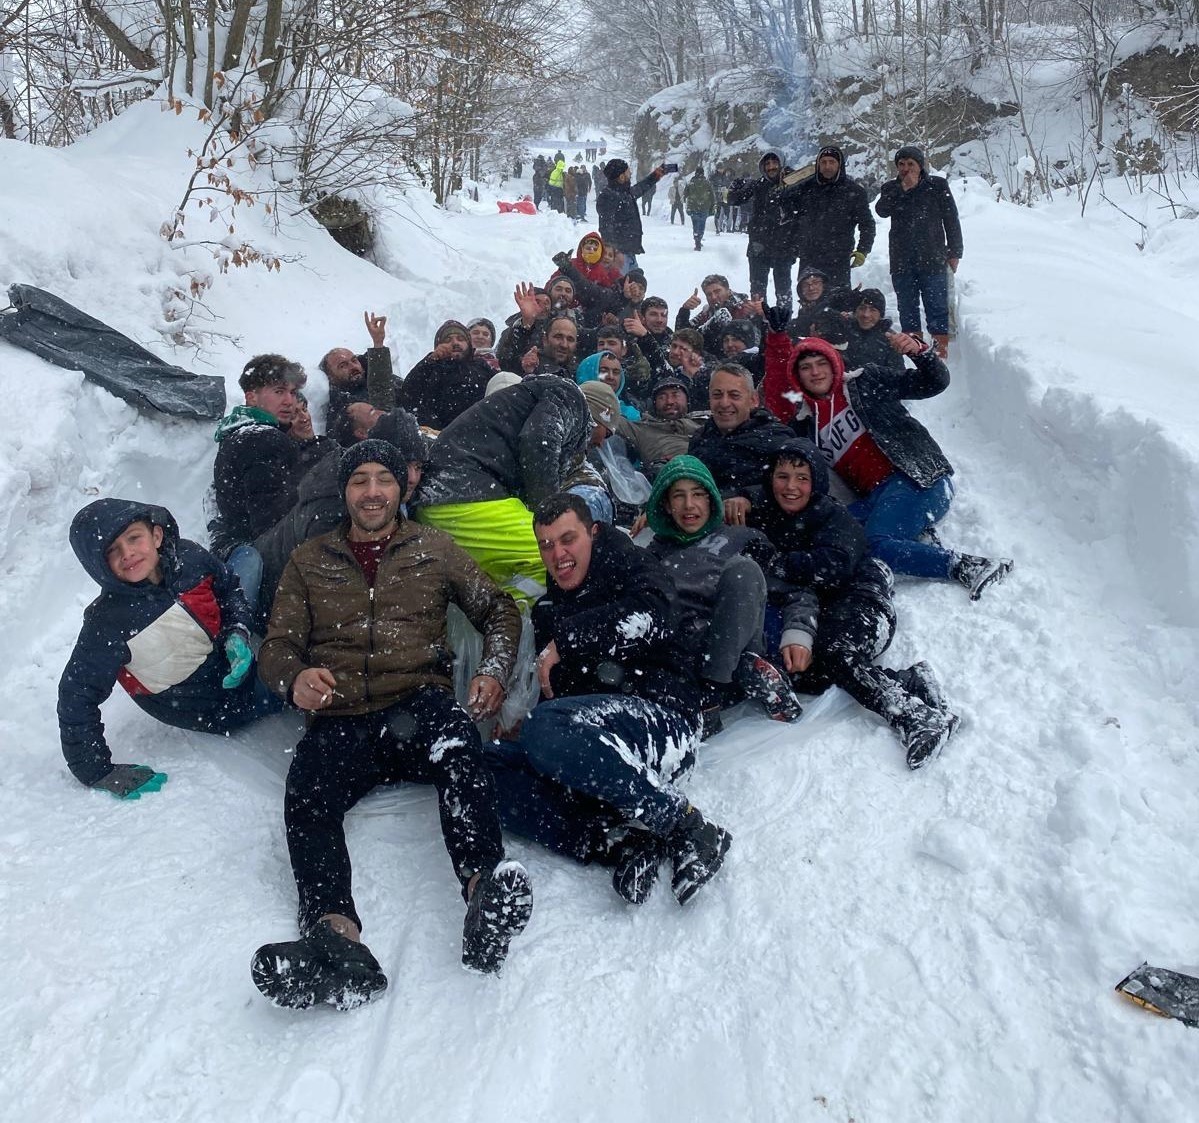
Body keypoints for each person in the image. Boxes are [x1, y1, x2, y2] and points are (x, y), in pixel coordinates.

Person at [251, 440, 531, 1010]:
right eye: (360, 481)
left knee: (462, 755)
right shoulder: (308, 560)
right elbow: (277, 648)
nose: (372, 492)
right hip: (341, 714)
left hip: (419, 703)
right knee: (307, 792)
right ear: (345, 491)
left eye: (383, 479)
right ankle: (334, 938)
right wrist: (295, 678)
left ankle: (484, 893)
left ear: (401, 489)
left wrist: (495, 671)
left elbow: (498, 609)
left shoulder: (435, 548)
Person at [484, 492, 732, 906]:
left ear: (593, 534)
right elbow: (565, 699)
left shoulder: (630, 566)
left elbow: (655, 617)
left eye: (568, 540)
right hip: (599, 739)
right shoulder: (550, 606)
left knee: (546, 728)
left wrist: (568, 641)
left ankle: (687, 826)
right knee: (483, 763)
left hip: (664, 720)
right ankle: (617, 842)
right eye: (546, 545)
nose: (557, 554)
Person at [751, 439, 960, 768]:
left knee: (836, 653)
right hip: (825, 607)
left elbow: (834, 567)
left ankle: (913, 716)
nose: (791, 486)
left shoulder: (833, 516)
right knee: (804, 672)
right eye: (782, 476)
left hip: (863, 596)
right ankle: (908, 680)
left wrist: (779, 563)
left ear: (816, 482)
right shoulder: (768, 516)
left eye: (802, 478)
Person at [762, 330, 1012, 598]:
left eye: (821, 363)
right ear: (798, 377)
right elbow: (777, 402)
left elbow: (933, 382)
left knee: (874, 544)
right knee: (827, 533)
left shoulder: (863, 382)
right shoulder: (807, 423)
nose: (815, 372)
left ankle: (968, 566)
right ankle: (909, 539)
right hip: (874, 499)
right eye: (806, 367)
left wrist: (920, 354)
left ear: (834, 363)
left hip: (917, 478)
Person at [59, 499, 281, 798]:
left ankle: (226, 543)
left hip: (222, 645)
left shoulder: (189, 558)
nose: (128, 554)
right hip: (216, 707)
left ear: (157, 536)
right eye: (112, 551)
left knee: (247, 557)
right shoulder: (108, 624)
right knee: (311, 674)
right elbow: (75, 696)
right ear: (99, 566)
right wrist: (97, 771)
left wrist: (237, 631)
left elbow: (228, 589)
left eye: (134, 538)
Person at [412, 375, 614, 602]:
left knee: (521, 574)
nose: (603, 443)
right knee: (569, 555)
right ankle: (540, 621)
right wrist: (551, 515)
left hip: (445, 501)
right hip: (461, 495)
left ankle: (513, 617)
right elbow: (539, 440)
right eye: (608, 432)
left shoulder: (531, 400)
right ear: (598, 416)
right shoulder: (571, 398)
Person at [645, 456, 806, 732]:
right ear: (667, 506)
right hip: (684, 658)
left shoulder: (742, 538)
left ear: (711, 500)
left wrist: (799, 633)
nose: (689, 505)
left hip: (731, 642)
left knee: (743, 571)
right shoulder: (652, 557)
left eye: (698, 494)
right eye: (678, 496)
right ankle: (743, 675)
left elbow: (792, 589)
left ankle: (714, 694)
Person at [209, 353, 307, 614]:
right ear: (251, 396)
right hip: (269, 567)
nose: (290, 401)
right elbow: (273, 518)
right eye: (278, 391)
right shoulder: (263, 439)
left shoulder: (238, 433)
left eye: (293, 392)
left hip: (237, 552)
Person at [875, 145, 963, 359]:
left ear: (920, 165)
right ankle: (914, 351)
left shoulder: (937, 185)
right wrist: (901, 190)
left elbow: (951, 220)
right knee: (907, 307)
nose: (906, 169)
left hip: (932, 257)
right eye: (901, 164)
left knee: (937, 306)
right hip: (902, 259)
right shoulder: (891, 188)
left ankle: (940, 352)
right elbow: (881, 210)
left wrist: (955, 252)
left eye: (910, 164)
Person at [687, 363, 792, 524]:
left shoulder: (778, 440)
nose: (724, 403)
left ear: (753, 400)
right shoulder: (699, 440)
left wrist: (750, 499)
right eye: (717, 395)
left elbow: (798, 488)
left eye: (734, 395)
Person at [778, 145, 875, 290]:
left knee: (839, 304)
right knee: (810, 304)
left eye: (832, 162)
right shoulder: (805, 188)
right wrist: (787, 186)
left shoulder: (854, 192)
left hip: (839, 258)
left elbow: (867, 224)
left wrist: (863, 250)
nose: (827, 166)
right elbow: (787, 212)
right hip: (809, 258)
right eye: (823, 162)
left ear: (839, 165)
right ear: (817, 164)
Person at [726, 151, 797, 307]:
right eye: (767, 164)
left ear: (781, 163)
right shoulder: (758, 184)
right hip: (759, 244)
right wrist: (735, 187)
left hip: (784, 244)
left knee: (783, 292)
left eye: (774, 163)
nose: (771, 167)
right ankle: (759, 324)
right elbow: (734, 199)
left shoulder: (793, 183)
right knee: (757, 293)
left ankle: (783, 325)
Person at [398, 320, 493, 432]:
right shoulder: (430, 368)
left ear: (469, 344)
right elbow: (409, 393)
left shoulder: (481, 367)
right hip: (438, 435)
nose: (455, 343)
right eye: (448, 340)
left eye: (460, 339)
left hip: (478, 431)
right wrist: (430, 360)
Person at [319, 312, 398, 432]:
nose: (352, 366)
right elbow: (383, 409)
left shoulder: (373, 376)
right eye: (343, 365)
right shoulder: (342, 409)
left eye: (354, 360)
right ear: (330, 377)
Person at [615, 372, 704, 479]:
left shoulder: (706, 423)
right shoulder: (642, 429)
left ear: (687, 400)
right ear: (654, 403)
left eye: (675, 395)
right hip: (667, 481)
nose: (669, 401)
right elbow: (606, 415)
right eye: (662, 397)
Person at [596, 158, 667, 272]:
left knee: (635, 287)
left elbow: (640, 188)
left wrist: (656, 175)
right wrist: (614, 252)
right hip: (619, 256)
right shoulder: (608, 196)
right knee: (620, 288)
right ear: (621, 176)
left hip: (629, 253)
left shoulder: (624, 192)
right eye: (628, 171)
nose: (631, 173)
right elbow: (605, 227)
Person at [675, 274, 759, 356]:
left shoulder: (746, 307)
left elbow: (760, 340)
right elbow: (682, 337)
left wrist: (759, 314)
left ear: (728, 291)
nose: (714, 297)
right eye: (709, 294)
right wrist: (685, 310)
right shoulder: (706, 312)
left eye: (717, 291)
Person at [843, 289, 904, 374]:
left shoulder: (890, 339)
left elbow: (898, 375)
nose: (866, 314)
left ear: (880, 315)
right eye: (862, 308)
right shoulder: (843, 331)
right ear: (855, 311)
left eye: (873, 310)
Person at [666, 327, 713, 411]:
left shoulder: (709, 376)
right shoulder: (667, 370)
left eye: (683, 349)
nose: (675, 352)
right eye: (674, 346)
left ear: (696, 353)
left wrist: (694, 375)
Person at [684, 167, 716, 251]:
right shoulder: (707, 183)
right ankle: (699, 238)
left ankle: (696, 239)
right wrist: (713, 205)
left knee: (695, 224)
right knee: (702, 223)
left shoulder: (690, 183)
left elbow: (685, 194)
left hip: (693, 207)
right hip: (704, 207)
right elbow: (712, 196)